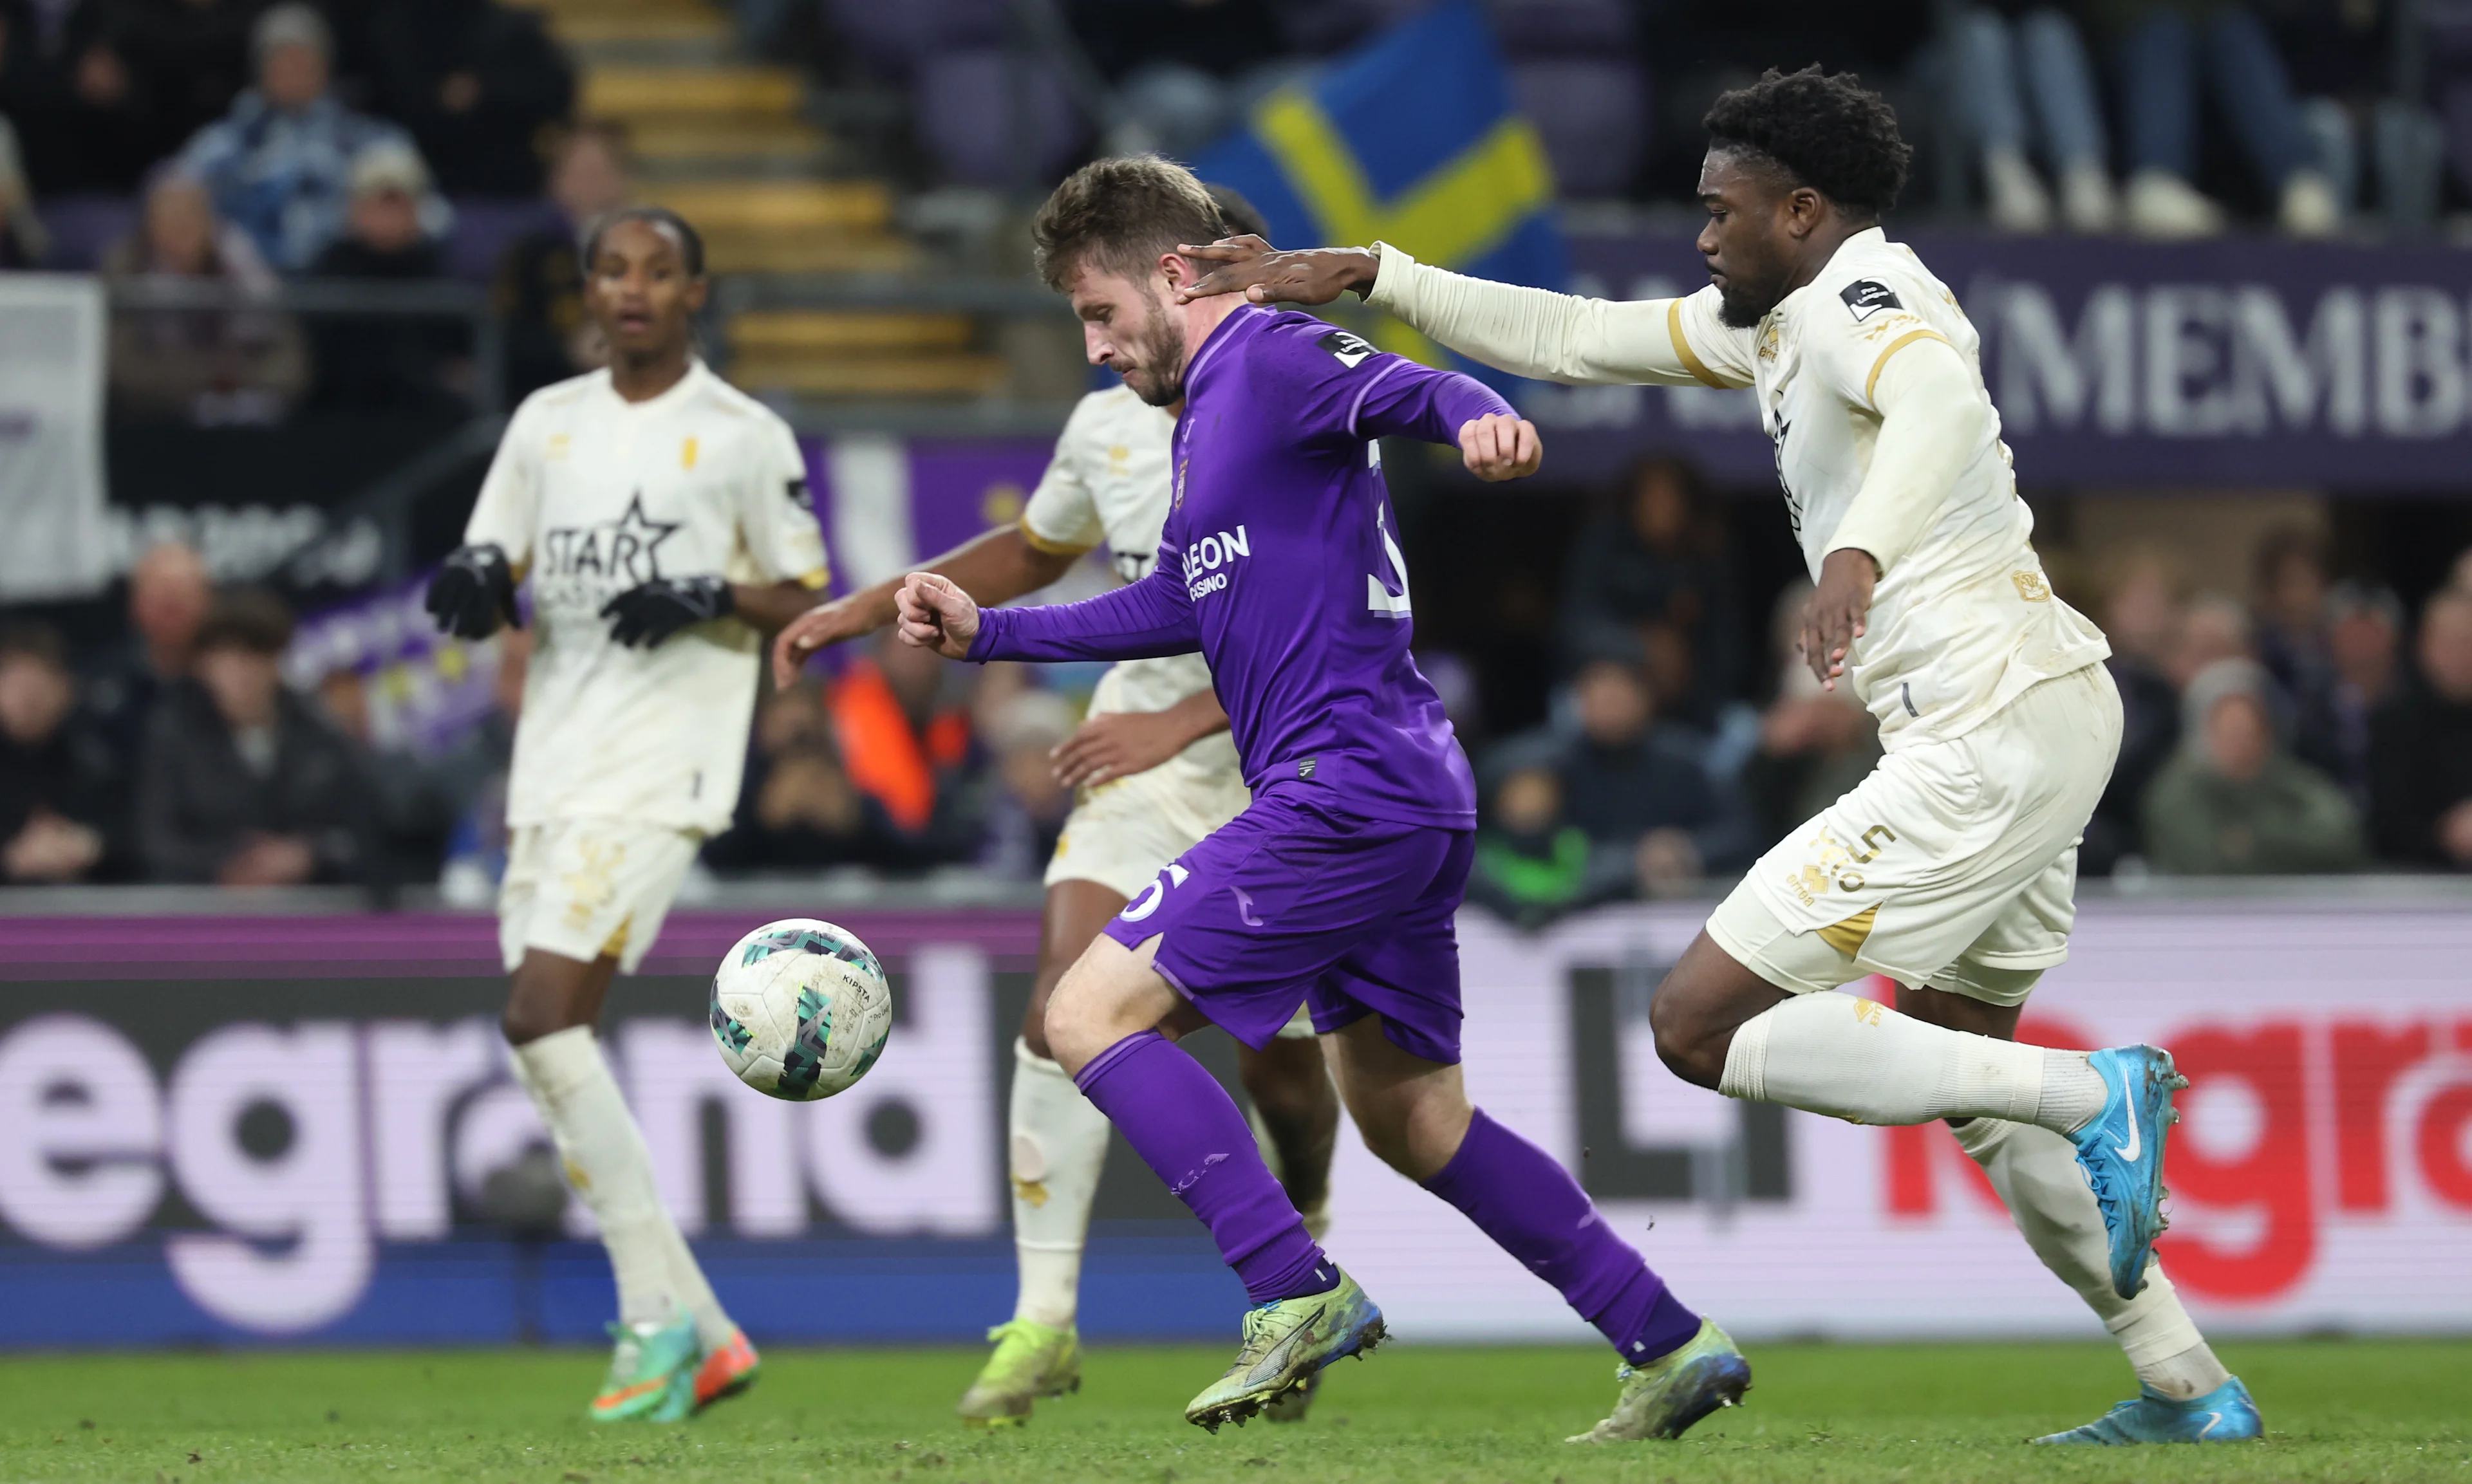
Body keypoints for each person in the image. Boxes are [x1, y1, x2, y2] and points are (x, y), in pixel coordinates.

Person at [1177, 65, 2257, 1446]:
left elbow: (1929, 404)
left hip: (1993, 713)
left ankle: (2091, 1084)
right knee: (1959, 1070)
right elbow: (1572, 336)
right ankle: (2187, 1382)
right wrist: (1381, 270)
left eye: (1720, 212)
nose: (1702, 238)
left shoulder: (1871, 297)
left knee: (1700, 1024)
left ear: (1800, 211)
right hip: (2021, 711)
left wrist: (1860, 542)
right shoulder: (1784, 324)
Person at [890, 153, 1747, 1445]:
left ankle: (1291, 1287)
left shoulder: (1273, 356)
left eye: (1099, 311)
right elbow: (1175, 600)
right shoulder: (1205, 420)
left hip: (1343, 786)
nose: (1095, 346)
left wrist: (1477, 420)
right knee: (1414, 1119)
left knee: (1086, 1015)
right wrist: (987, 633)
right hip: (1394, 790)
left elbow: (1415, 384)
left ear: (1174, 275)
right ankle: (1670, 1341)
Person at [768, 182, 1354, 1429]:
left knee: (1289, 1078)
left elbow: (1344, 611)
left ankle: (1302, 1258)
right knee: (1055, 1006)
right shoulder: (1108, 427)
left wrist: (1179, 717)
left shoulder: (1306, 400)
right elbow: (1036, 552)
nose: (1105, 336)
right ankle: (1042, 1321)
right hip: (1137, 772)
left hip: (1285, 771)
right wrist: (867, 605)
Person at [421, 205, 829, 1424]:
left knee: (541, 1016)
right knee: (553, 1054)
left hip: (665, 770)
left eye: (658, 271)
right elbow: (491, 553)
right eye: (612, 270)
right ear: (587, 291)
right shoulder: (546, 425)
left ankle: (649, 1323)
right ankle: (705, 1331)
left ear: (695, 290)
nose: (633, 289)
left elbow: (807, 594)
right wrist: (475, 576)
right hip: (550, 769)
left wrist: (713, 590)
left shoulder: (744, 435)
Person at [135, 588, 377, 886]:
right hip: (203, 913)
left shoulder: (319, 734)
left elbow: (361, 830)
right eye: (225, 658)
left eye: (254, 656)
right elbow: (158, 841)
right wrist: (232, 861)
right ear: (202, 667)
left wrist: (308, 854)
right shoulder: (175, 735)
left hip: (307, 914)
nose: (240, 673)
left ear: (278, 661)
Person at [174, 4, 438, 272]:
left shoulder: (370, 141)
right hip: (241, 292)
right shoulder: (221, 145)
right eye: (281, 60)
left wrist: (383, 221)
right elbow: (170, 206)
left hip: (339, 289)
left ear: (325, 69)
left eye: (303, 60)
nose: (292, 71)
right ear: (260, 69)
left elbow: (436, 217)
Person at [103, 171, 307, 425]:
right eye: (171, 216)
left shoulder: (246, 268)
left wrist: (237, 384)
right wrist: (203, 380)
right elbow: (122, 368)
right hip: (155, 422)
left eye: (192, 214)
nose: (182, 226)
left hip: (248, 423)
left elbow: (291, 367)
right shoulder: (127, 269)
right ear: (149, 223)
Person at [2140, 657, 2364, 874]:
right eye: (2228, 733)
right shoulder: (2175, 793)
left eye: (2248, 732)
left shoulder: (2293, 784)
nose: (2239, 744)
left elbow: (2342, 840)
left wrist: (2257, 838)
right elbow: (2207, 863)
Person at [304, 142, 465, 413]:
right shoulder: (330, 268)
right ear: (354, 208)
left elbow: (459, 359)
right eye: (377, 203)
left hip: (426, 416)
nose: (387, 216)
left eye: (397, 203)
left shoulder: (440, 269)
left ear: (417, 209)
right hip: (337, 412)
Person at [366, 0, 574, 198]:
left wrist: (483, 90)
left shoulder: (513, 29)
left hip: (512, 188)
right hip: (425, 191)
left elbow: (558, 92)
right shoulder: (395, 30)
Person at [496, 121, 633, 400]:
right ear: (555, 181)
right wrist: (569, 350)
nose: (591, 185)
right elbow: (508, 333)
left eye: (600, 172)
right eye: (580, 173)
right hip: (553, 395)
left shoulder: (656, 251)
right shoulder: (532, 254)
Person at [0, 623, 118, 884]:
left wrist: (89, 844)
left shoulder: (96, 763)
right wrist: (11, 857)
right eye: (17, 683)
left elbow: (133, 839)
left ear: (67, 690)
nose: (29, 698)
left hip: (82, 911)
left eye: (40, 683)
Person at [2367, 588, 2472, 869]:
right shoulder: (2394, 721)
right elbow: (2387, 824)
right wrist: (2445, 834)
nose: (2463, 655)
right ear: (2426, 645)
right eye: (2453, 643)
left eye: (2469, 643)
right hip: (2417, 880)